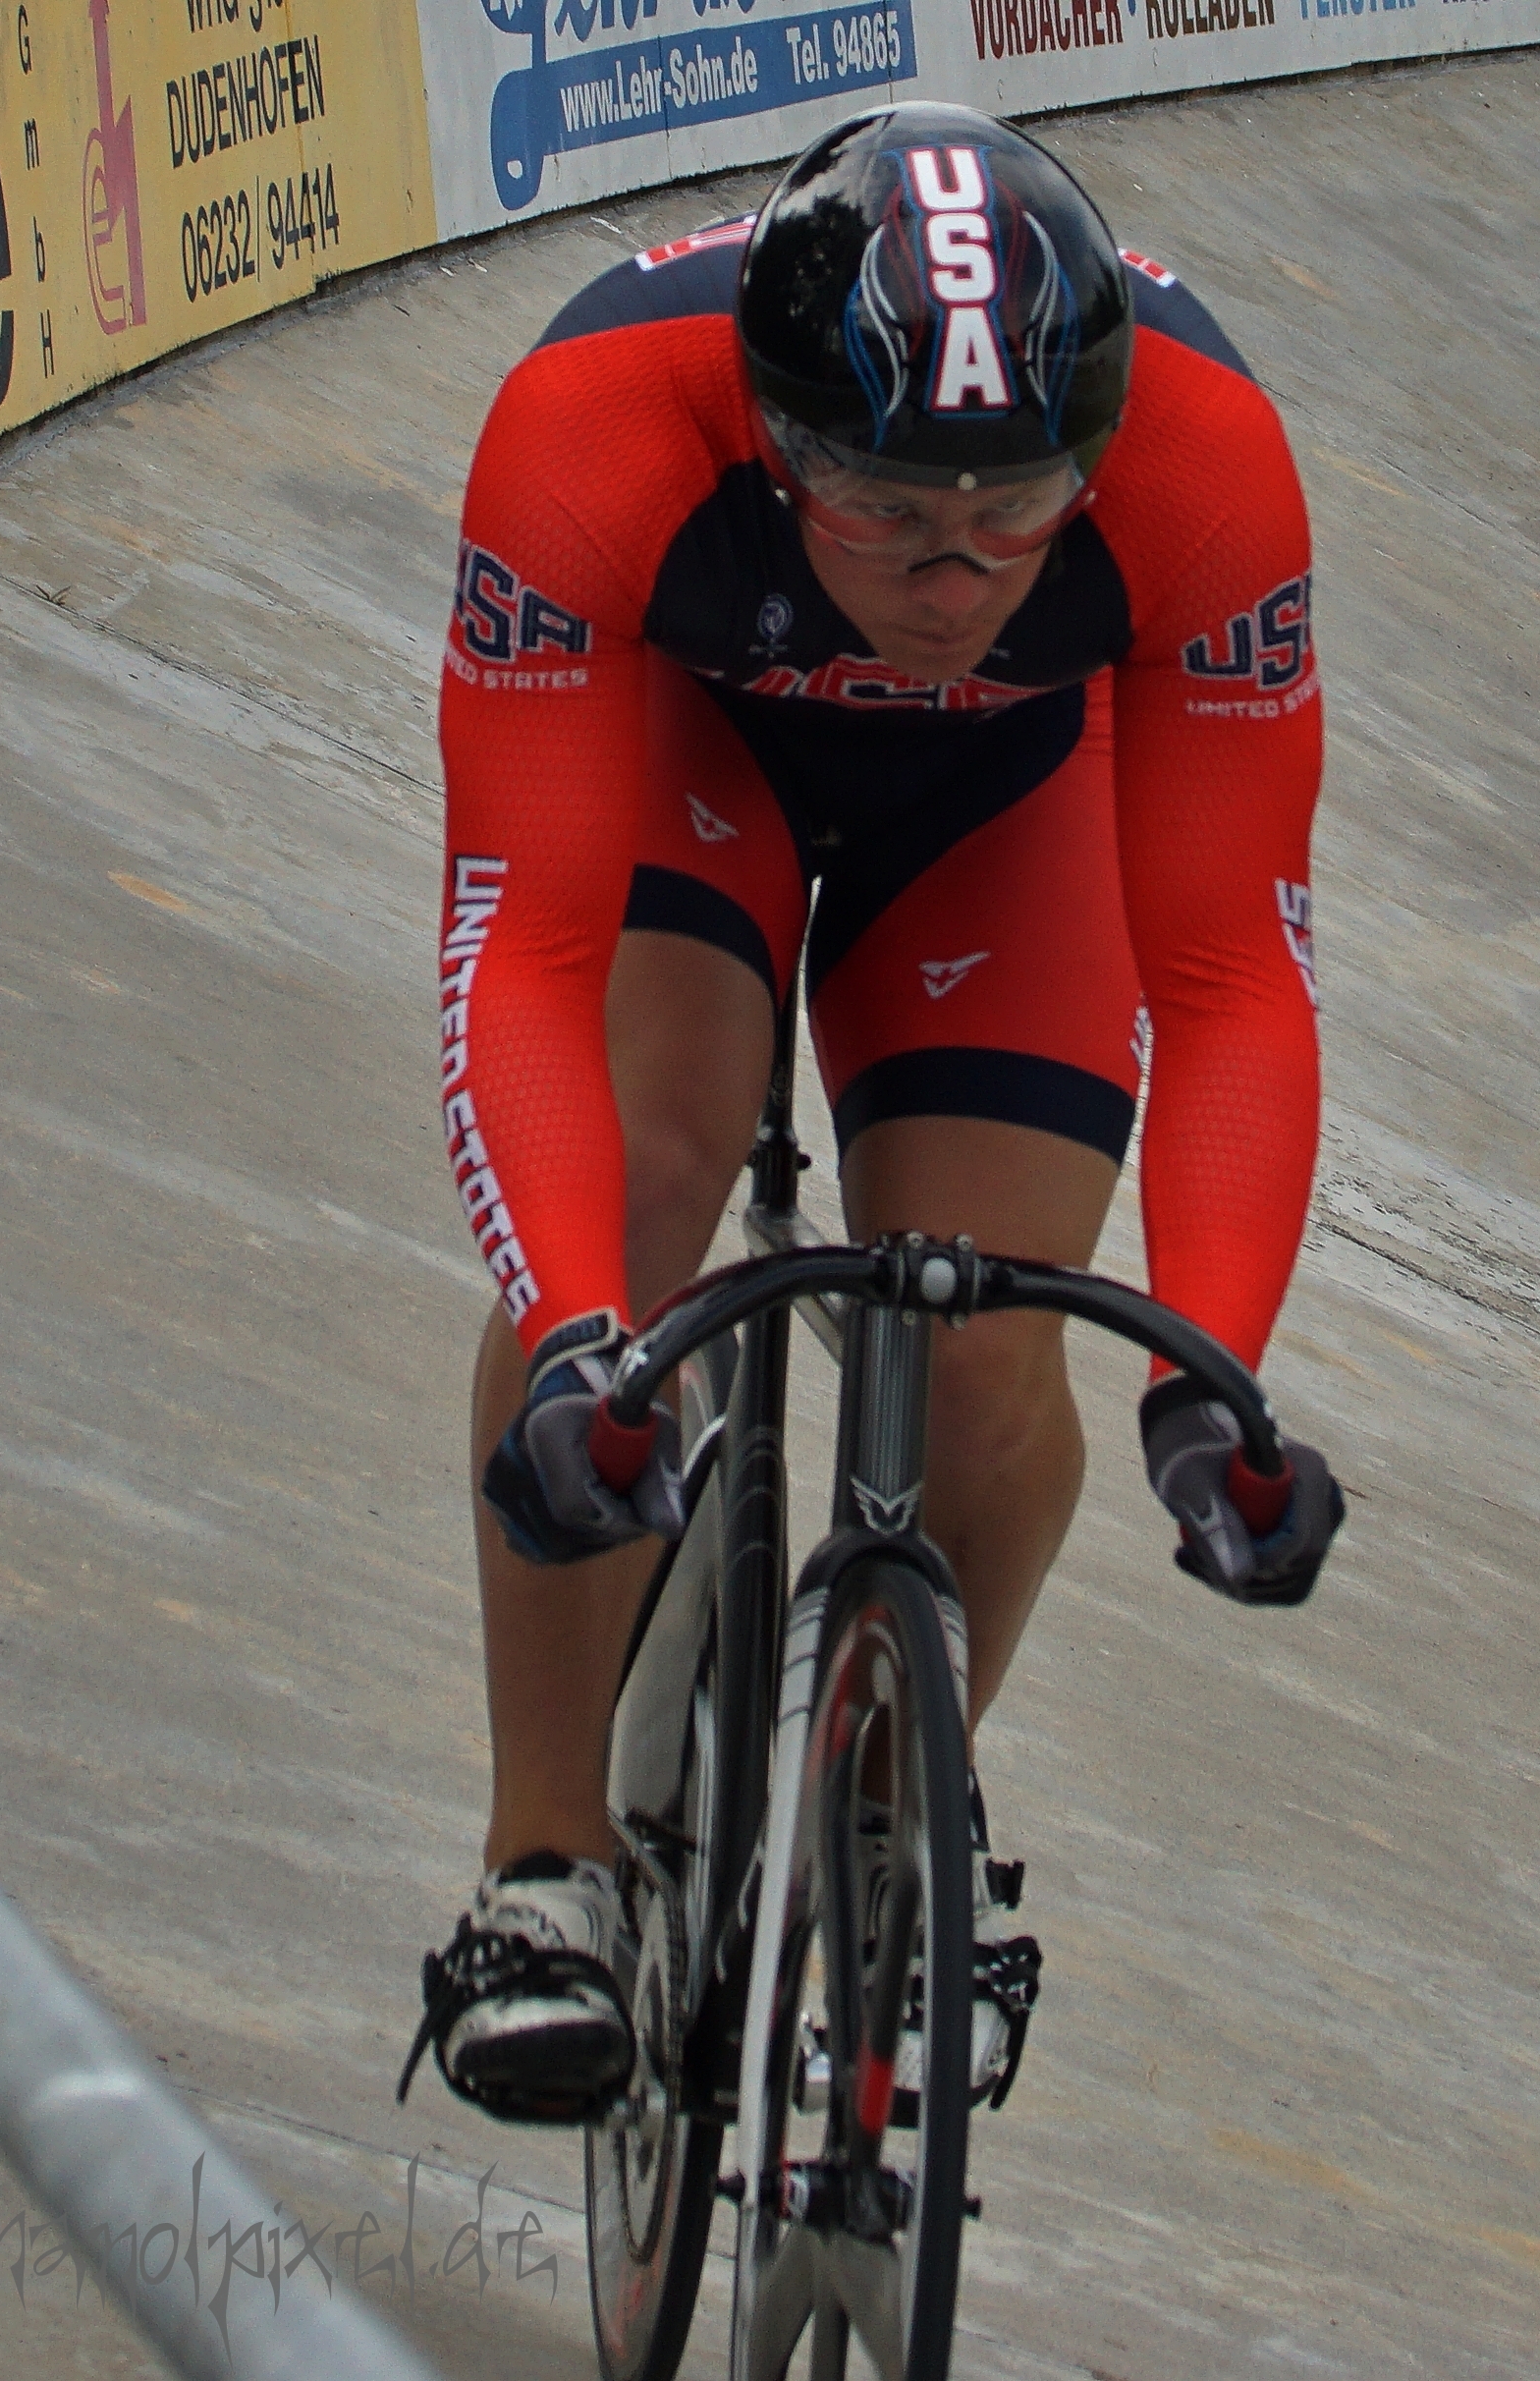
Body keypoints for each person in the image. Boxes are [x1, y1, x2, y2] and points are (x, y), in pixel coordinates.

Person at [404, 103, 1348, 2123]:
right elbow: (525, 949)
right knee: (651, 1169)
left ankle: (907, 1838)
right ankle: (544, 1860)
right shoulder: (595, 416)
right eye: (887, 505)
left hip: (1003, 799)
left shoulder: (1201, 461)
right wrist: (578, 1332)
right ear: (769, 439)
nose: (951, 570)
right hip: (696, 736)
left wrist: (1220, 1380)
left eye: (1018, 512)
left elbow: (1233, 975)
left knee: (1000, 1340)